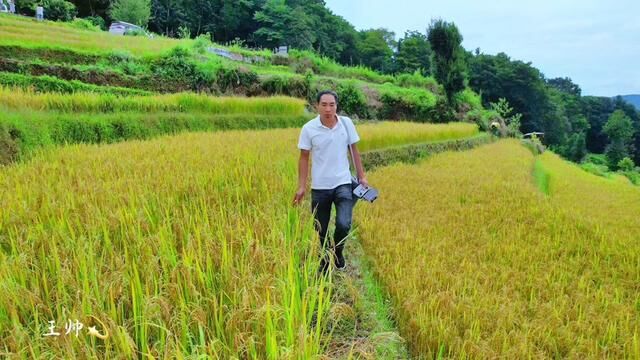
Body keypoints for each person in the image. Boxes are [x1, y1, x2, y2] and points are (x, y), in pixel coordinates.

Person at [293, 90, 368, 272]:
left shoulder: (346, 124)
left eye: (332, 105)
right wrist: (302, 186)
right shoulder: (309, 129)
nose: (328, 109)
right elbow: (303, 158)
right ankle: (325, 259)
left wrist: (362, 176)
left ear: (336, 106)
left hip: (343, 183)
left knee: (344, 224)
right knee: (321, 229)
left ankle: (338, 252)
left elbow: (354, 150)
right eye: (324, 105)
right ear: (317, 106)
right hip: (320, 187)